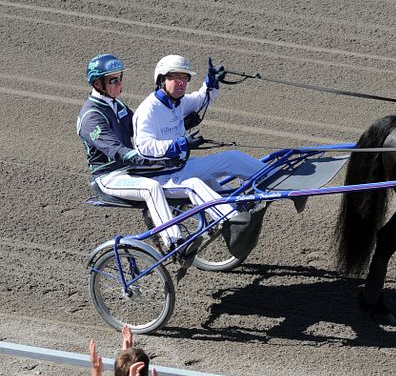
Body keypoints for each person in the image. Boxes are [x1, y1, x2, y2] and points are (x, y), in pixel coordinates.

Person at [132, 54, 266, 223]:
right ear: (161, 79)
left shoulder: (177, 102)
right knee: (198, 183)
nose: (181, 83)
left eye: (185, 78)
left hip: (181, 166)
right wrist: (182, 144)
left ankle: (278, 180)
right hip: (163, 177)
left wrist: (211, 82)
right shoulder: (148, 110)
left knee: (233, 157)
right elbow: (144, 148)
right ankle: (233, 220)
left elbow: (201, 99)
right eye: (175, 77)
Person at [77, 53, 183, 249]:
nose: (119, 84)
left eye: (120, 78)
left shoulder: (118, 106)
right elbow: (118, 152)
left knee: (176, 173)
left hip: (130, 170)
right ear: (97, 84)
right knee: (151, 188)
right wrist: (150, 159)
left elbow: (144, 128)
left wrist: (182, 123)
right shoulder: (91, 116)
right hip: (109, 176)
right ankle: (174, 242)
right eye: (113, 80)